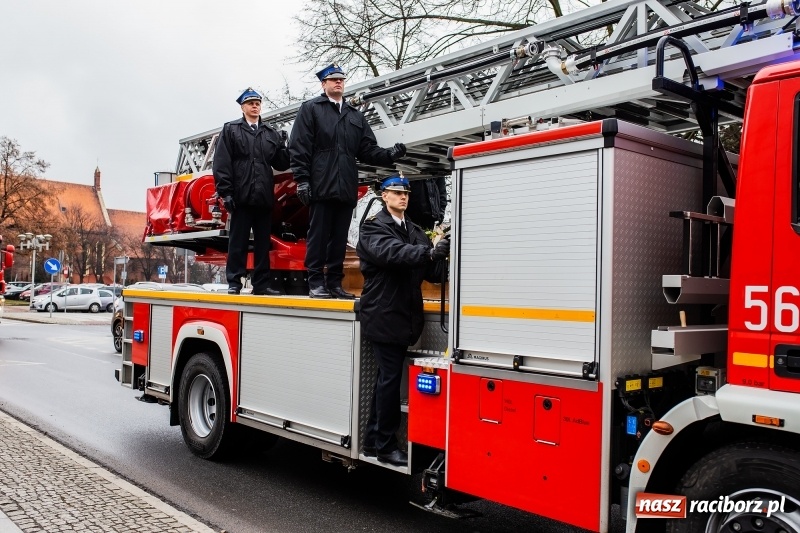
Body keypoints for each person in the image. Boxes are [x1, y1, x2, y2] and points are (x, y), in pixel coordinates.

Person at [289, 63, 407, 299]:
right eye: (333, 80)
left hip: (345, 186)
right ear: (324, 84)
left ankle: (334, 283)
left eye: (341, 79)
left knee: (339, 238)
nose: (338, 82)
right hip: (321, 184)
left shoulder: (355, 116)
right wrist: (302, 180)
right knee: (319, 235)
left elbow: (366, 149)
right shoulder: (311, 109)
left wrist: (389, 155)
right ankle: (315, 283)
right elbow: (299, 147)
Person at [356, 175, 450, 466]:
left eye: (406, 193)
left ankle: (373, 442)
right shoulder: (373, 228)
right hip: (384, 314)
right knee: (390, 381)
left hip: (404, 317)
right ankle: (385, 445)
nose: (403, 197)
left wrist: (444, 253)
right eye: (396, 193)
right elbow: (393, 254)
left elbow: (430, 272)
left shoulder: (414, 231)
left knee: (387, 380)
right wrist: (428, 251)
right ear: (384, 196)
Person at [213, 87, 291, 295]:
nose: (255, 106)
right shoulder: (231, 130)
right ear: (242, 107)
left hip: (264, 197)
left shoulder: (269, 133)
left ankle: (261, 284)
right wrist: (226, 192)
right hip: (240, 196)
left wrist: (284, 147)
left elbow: (281, 163)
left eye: (257, 103)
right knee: (237, 242)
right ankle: (234, 282)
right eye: (250, 103)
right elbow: (221, 163)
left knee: (262, 244)